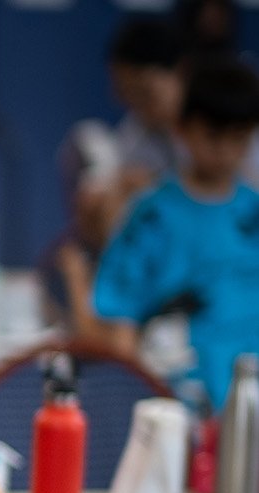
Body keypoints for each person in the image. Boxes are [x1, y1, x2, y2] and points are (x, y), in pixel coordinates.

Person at [92, 55, 259, 410]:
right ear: (182, 129)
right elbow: (119, 324)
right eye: (214, 137)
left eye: (240, 139)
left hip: (249, 409)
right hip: (174, 408)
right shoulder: (151, 216)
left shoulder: (253, 214)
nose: (226, 152)